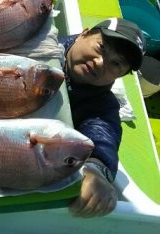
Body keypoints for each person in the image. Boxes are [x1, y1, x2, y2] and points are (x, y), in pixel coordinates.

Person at [60, 17, 145, 218]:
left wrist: (95, 170)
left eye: (116, 64)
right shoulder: (41, 44)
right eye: (101, 48)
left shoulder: (102, 105)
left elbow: (102, 135)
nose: (100, 63)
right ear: (84, 34)